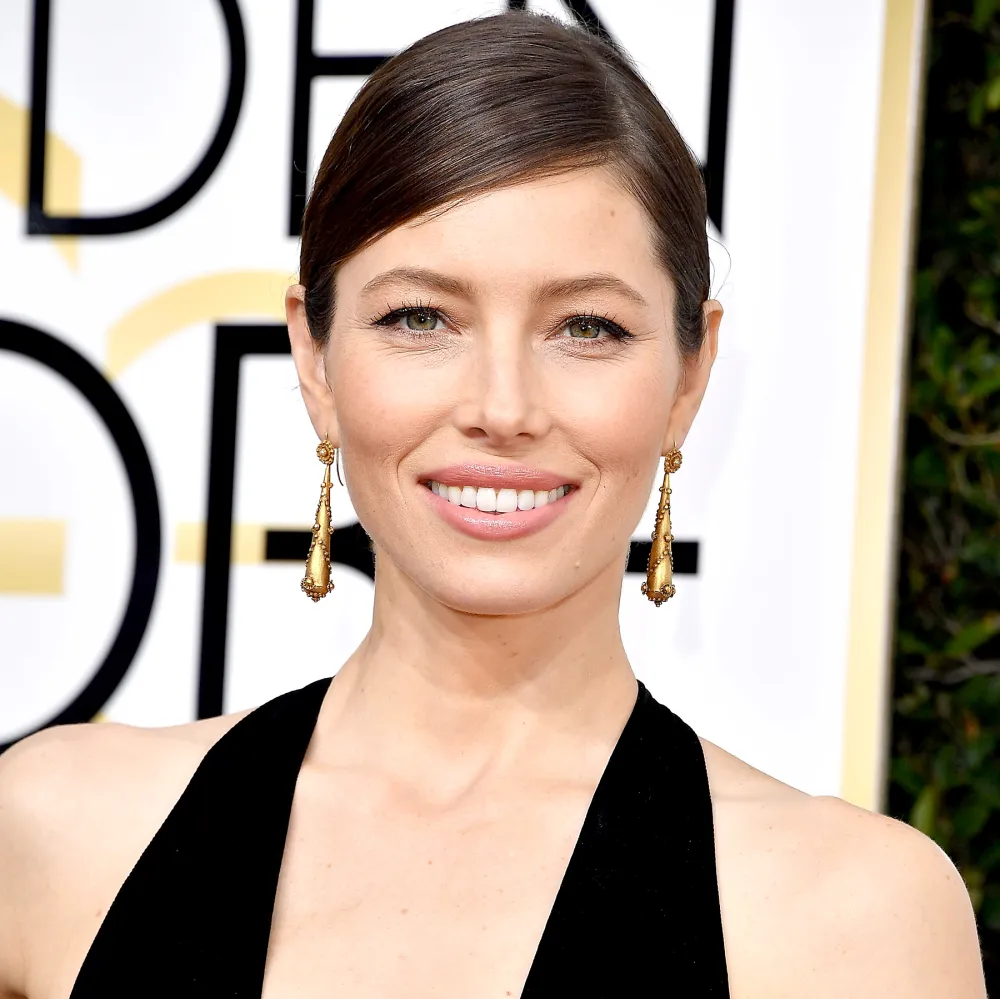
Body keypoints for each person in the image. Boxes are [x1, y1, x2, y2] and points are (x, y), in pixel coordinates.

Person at [0, 11, 987, 999]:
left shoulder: (850, 920)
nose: (502, 409)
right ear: (314, 359)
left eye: (587, 327)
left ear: (690, 375)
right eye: (420, 317)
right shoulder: (61, 834)